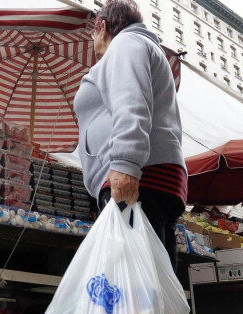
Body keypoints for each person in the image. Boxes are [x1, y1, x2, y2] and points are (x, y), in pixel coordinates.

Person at [74, 0, 187, 270]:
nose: (93, 40)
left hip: (141, 175)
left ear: (101, 26)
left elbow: (131, 103)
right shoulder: (138, 46)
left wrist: (125, 165)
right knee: (144, 282)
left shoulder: (126, 44)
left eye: (93, 32)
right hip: (150, 174)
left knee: (131, 283)